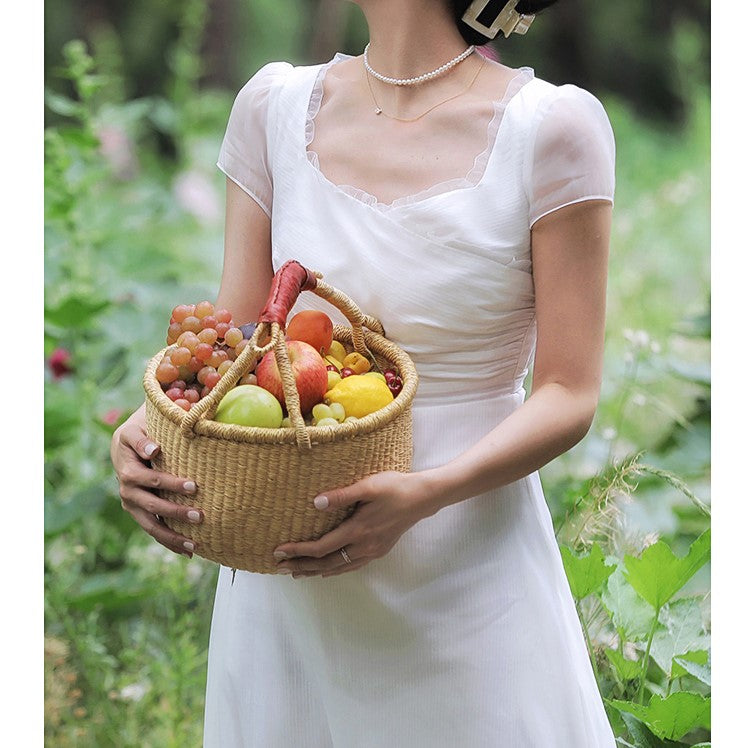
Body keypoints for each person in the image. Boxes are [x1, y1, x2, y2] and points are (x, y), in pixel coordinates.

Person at [111, 0, 617, 744]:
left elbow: (570, 391)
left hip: (464, 573)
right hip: (286, 565)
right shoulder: (272, 109)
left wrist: (427, 493)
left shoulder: (552, 130)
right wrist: (152, 428)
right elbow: (241, 338)